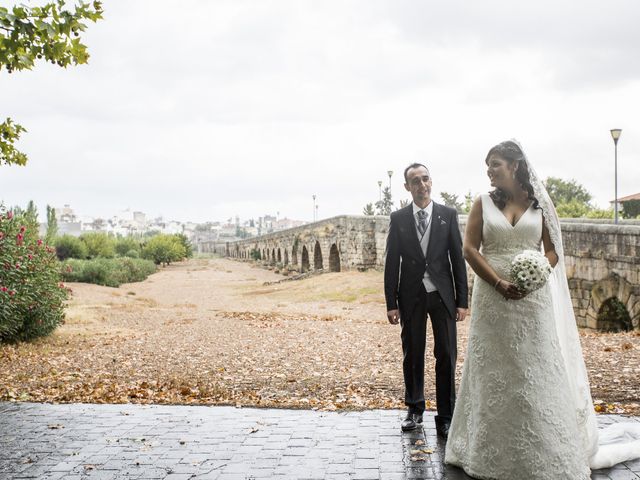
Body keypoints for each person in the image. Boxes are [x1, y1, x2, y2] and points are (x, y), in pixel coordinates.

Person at [445, 140, 640, 479]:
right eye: (487, 166)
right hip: (492, 299)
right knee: (491, 369)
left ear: (515, 165)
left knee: (533, 366)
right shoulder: (482, 203)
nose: (489, 171)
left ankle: (544, 445)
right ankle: (485, 449)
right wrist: (498, 283)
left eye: (495, 164)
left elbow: (552, 251)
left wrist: (538, 271)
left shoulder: (540, 205)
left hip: (533, 299)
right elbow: (469, 250)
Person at [384, 163, 468, 436]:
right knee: (413, 354)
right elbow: (391, 263)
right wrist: (391, 302)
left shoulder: (447, 215)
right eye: (415, 181)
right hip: (411, 296)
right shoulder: (398, 219)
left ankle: (446, 415)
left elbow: (457, 258)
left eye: (426, 179)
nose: (422, 185)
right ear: (407, 187)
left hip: (442, 296)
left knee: (446, 353)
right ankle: (415, 409)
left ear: (431, 182)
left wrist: (462, 300)